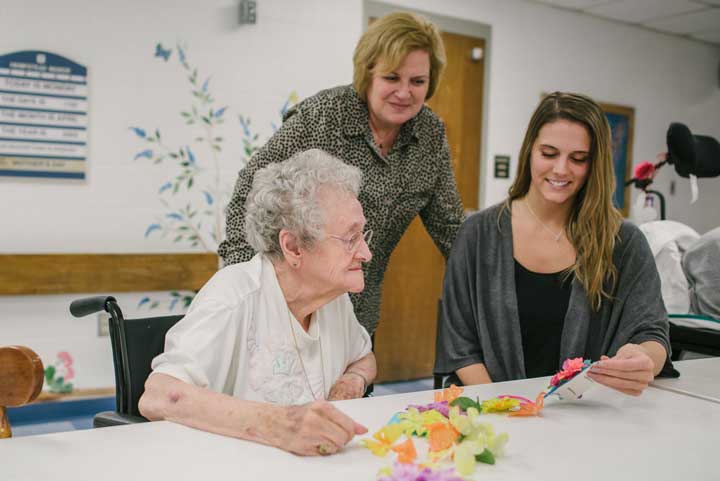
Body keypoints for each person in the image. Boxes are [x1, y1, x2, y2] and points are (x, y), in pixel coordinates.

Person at [218, 11, 465, 337]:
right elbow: (250, 191)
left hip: (358, 317)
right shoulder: (322, 117)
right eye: (392, 78)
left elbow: (451, 228)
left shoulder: (430, 136)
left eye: (417, 81)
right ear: (368, 73)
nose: (404, 93)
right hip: (290, 308)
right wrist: (244, 282)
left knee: (354, 384)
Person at [139, 149, 376, 456]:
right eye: (350, 238)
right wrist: (281, 425)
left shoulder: (334, 298)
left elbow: (363, 357)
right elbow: (159, 397)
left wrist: (351, 383)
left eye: (363, 235)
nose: (366, 253)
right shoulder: (234, 297)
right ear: (293, 247)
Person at [434, 92, 670, 396]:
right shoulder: (477, 235)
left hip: (591, 420)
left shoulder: (624, 242)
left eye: (578, 159)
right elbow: (459, 346)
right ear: (529, 151)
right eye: (548, 153)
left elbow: (652, 332)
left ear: (594, 164)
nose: (561, 169)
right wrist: (508, 406)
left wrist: (644, 359)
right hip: (498, 417)